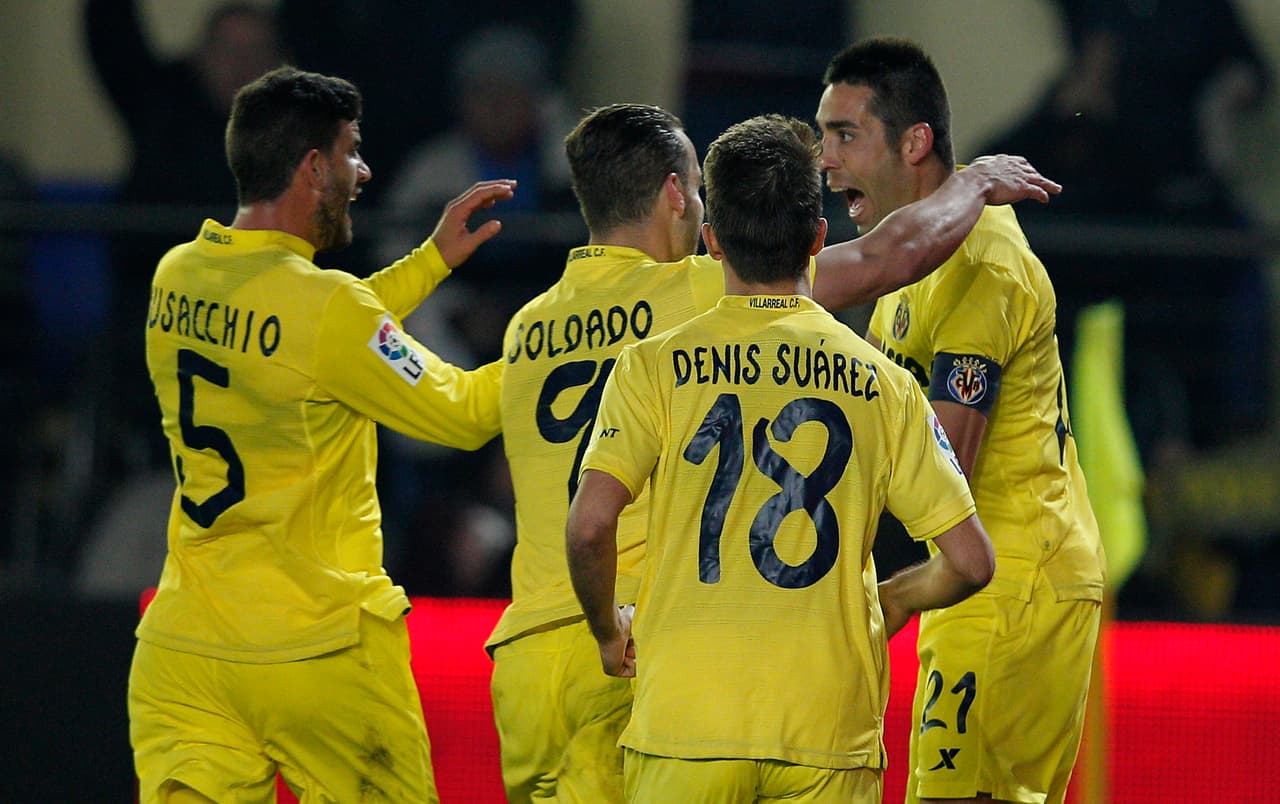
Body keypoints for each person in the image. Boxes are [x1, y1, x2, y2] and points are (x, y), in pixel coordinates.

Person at [486, 101, 1058, 802]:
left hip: (667, 710)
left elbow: (587, 521)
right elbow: (971, 561)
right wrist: (896, 600)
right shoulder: (882, 382)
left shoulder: (592, 346)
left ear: (715, 239)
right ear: (817, 236)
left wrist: (609, 632)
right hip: (827, 723)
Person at [129, 66, 514, 803]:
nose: (363, 172)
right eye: (352, 152)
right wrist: (557, 342)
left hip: (185, 652)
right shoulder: (326, 308)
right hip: (316, 651)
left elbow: (309, 332)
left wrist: (428, 263)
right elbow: (464, 412)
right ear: (313, 167)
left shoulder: (178, 273)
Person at [816, 38, 1106, 803]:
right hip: (973, 574)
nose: (824, 159)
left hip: (1013, 584)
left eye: (845, 135)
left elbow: (943, 463)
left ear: (915, 143)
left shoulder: (983, 264)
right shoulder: (907, 259)